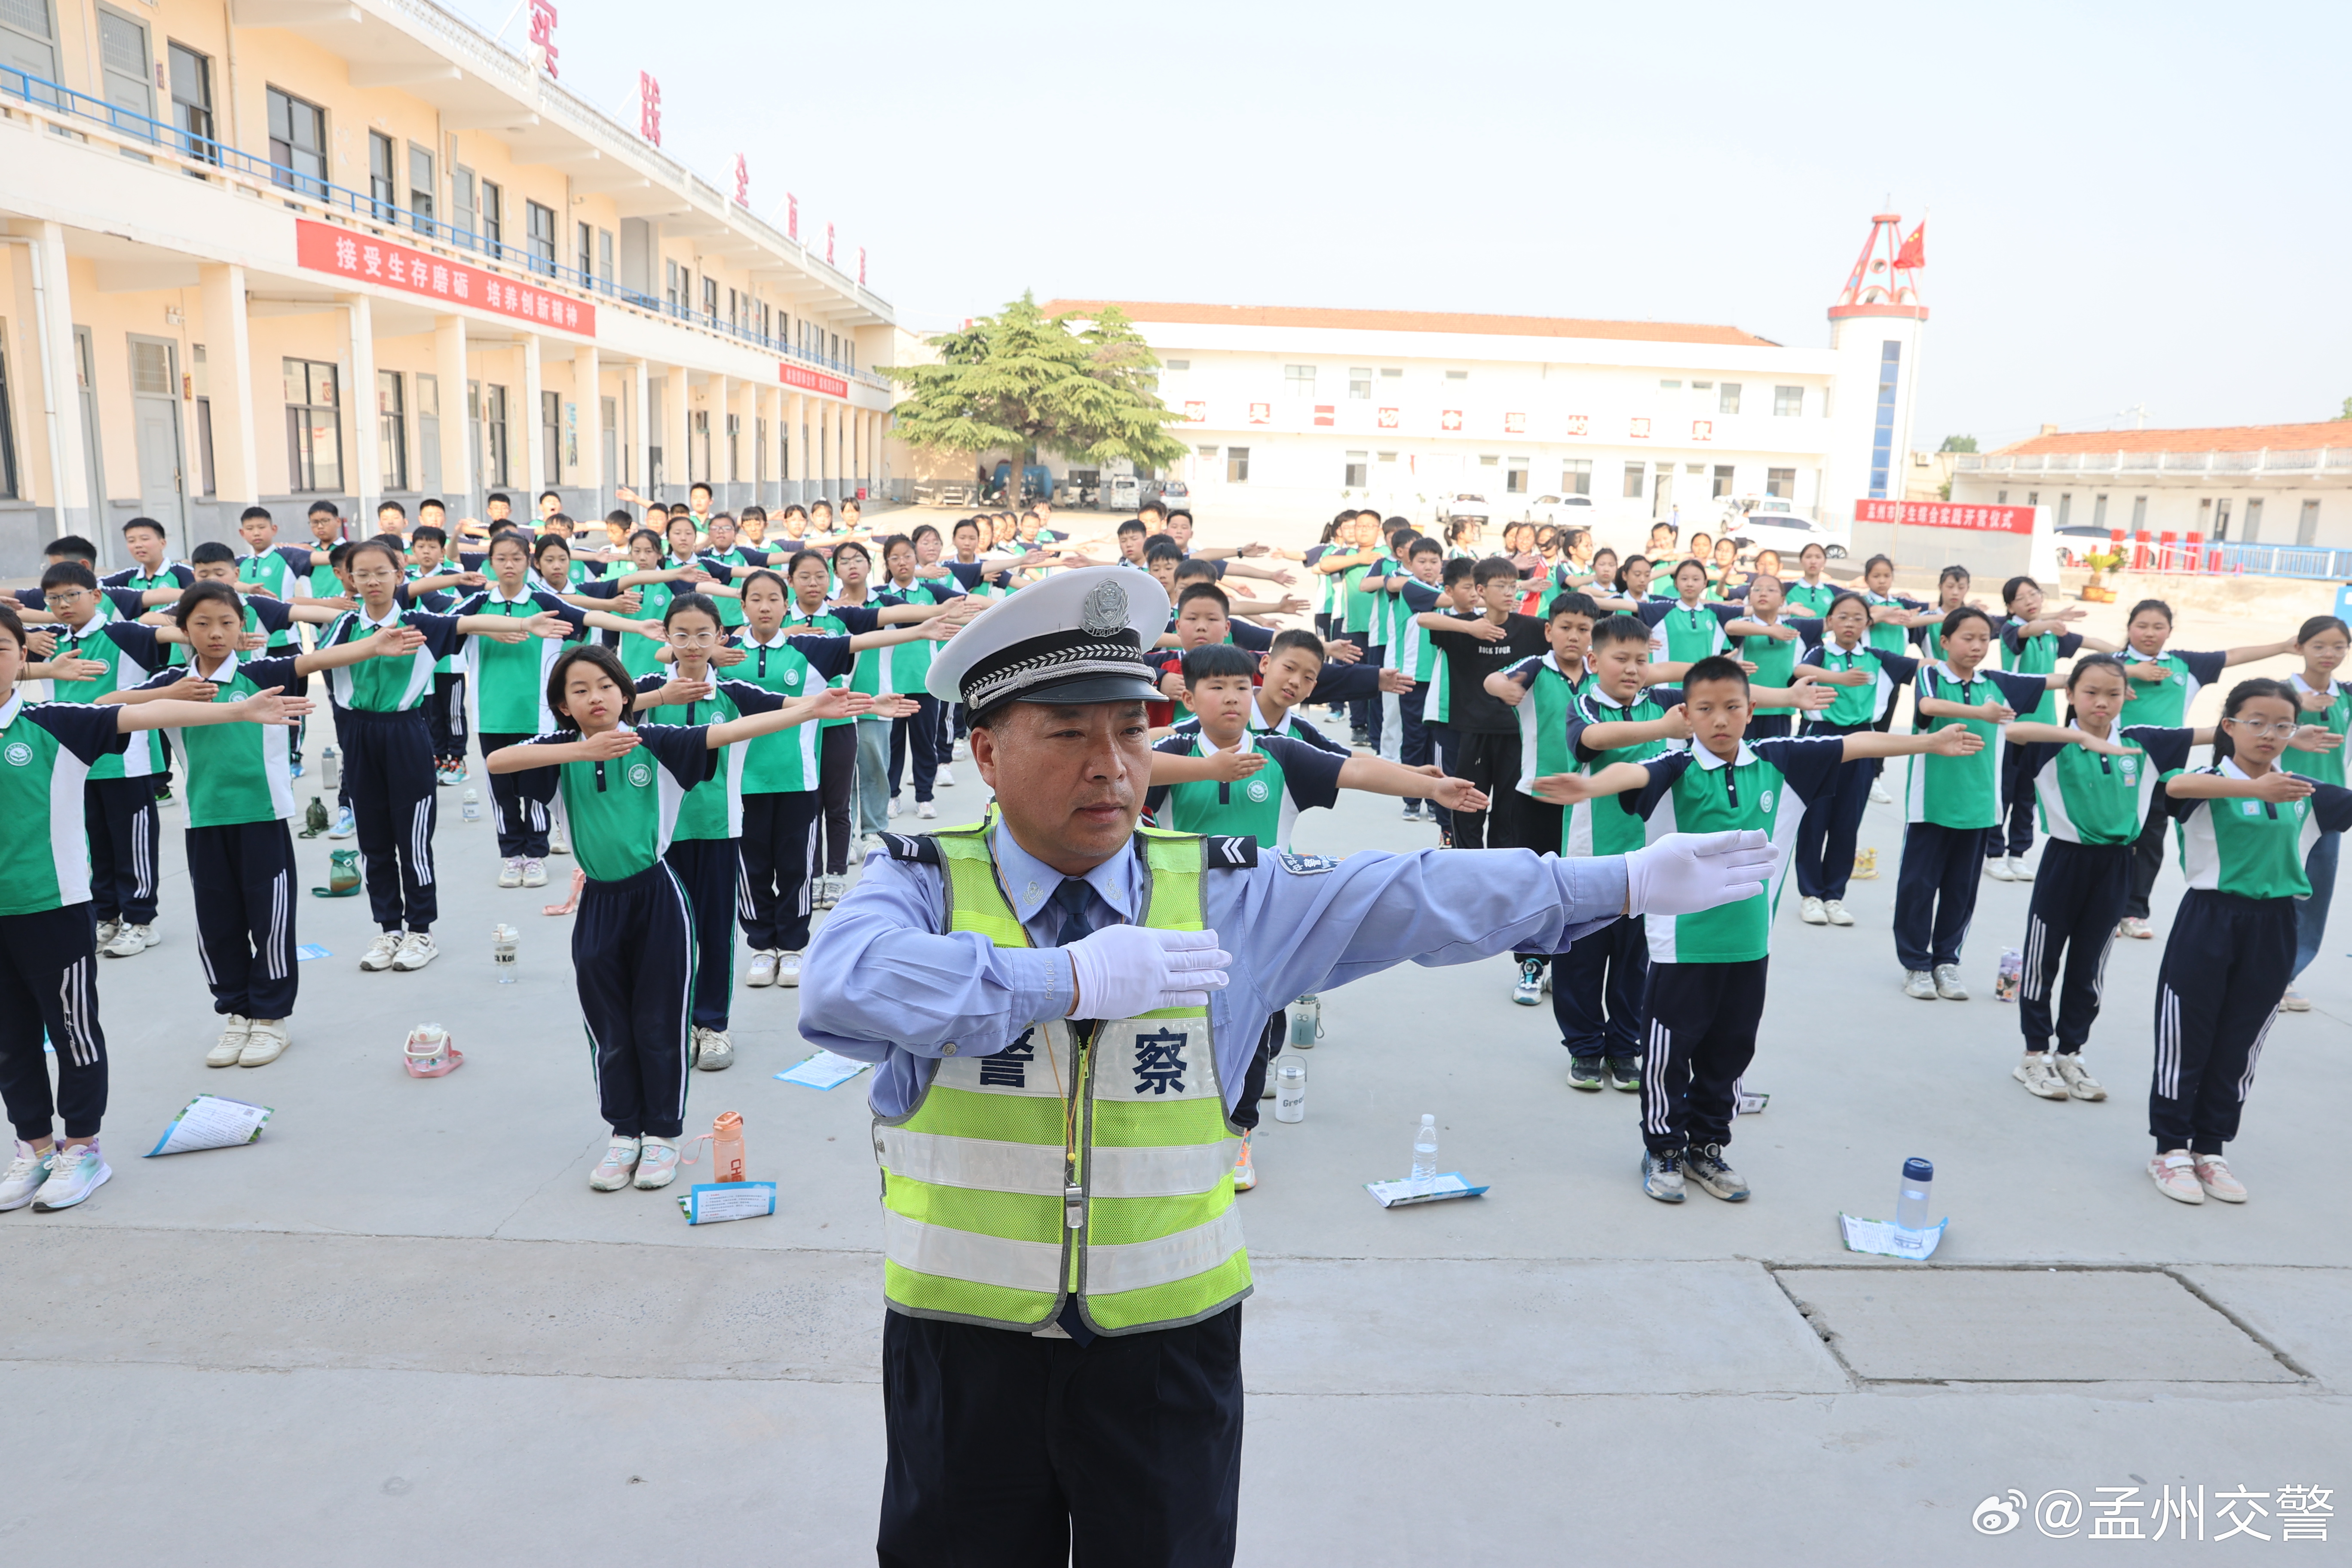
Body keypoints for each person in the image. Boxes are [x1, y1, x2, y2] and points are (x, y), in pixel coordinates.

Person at [794, 565, 1773, 1566]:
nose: (1112, 767)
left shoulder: (1228, 893)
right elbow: (839, 987)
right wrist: (1063, 978)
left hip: (1166, 1345)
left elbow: (1417, 892)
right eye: (1069, 734)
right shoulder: (921, 881)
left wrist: (1616, 881)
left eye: (1130, 732)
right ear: (987, 753)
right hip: (962, 1347)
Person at [1537, 654, 1979, 1202]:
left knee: (1729, 1054)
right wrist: (1589, 789)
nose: (1720, 719)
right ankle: (1664, 1149)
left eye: (1732, 707)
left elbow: (1857, 743)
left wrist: (1930, 742)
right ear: (1686, 716)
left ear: (1750, 711)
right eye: (1705, 709)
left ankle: (1706, 1149)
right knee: (1668, 1057)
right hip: (1682, 949)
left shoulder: (1781, 761)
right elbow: (1633, 775)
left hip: (1749, 946)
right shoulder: (1676, 767)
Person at [491, 646, 865, 1191]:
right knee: (608, 1028)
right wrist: (581, 750)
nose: (595, 697)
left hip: (657, 899)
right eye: (580, 690)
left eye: (606, 686)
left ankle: (662, 1136)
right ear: (564, 705)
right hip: (598, 904)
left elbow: (729, 732)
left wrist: (809, 709)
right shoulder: (558, 750)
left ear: (626, 694)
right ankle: (624, 1134)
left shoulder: (656, 743)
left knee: (659, 1023)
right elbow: (499, 761)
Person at [0, 602, 310, 1214]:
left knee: (72, 1035)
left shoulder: (54, 723)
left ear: (22, 657)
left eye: (0, 649)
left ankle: (82, 1149)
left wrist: (237, 709)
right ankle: (32, 1148)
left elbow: (142, 711)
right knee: (9, 1041)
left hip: (52, 906)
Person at [124, 580, 421, 1066]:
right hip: (204, 822)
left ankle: (270, 1019)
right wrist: (167, 693)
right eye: (202, 624)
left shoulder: (262, 672)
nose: (215, 633)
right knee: (217, 926)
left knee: (271, 922)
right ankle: (236, 1014)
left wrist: (373, 645)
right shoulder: (175, 684)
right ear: (184, 630)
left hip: (263, 818)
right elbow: (102, 707)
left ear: (242, 626)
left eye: (226, 622)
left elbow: (317, 660)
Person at [2146, 679, 2352, 1205]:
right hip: (2210, 918)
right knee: (2187, 1035)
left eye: (2282, 725)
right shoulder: (2207, 782)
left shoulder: (2304, 791)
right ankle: (2170, 1148)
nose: (2269, 734)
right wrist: (2254, 790)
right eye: (2256, 722)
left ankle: (2210, 1148)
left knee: (2242, 1041)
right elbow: (2174, 787)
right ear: (2229, 726)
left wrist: (2279, 783)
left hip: (2275, 925)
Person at [2000, 657, 2202, 1102]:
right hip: (2065, 861)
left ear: (2127, 695)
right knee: (2042, 961)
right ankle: (2034, 1054)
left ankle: (2070, 1053)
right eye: (2090, 692)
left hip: (2117, 865)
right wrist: (2078, 736)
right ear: (2070, 694)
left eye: (2113, 694)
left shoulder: (2142, 743)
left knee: (2090, 965)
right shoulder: (2052, 743)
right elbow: (2013, 731)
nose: (2101, 702)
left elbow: (2209, 734)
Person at [453, 531, 662, 891]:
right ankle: (511, 854)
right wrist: (489, 629)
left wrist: (637, 626)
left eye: (516, 558)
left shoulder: (543, 601)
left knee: (538, 789)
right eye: (501, 558)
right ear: (490, 563)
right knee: (500, 791)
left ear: (528, 562)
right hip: (492, 715)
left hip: (537, 715)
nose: (509, 565)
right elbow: (442, 625)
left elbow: (589, 616)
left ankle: (536, 854)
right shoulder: (477, 605)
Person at [1894, 606, 2061, 1000]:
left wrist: (2110, 677)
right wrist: (1980, 713)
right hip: (1932, 805)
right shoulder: (1933, 675)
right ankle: (1916, 964)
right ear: (1945, 641)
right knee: (1918, 887)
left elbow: (2051, 680)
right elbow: (1928, 707)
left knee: (1961, 891)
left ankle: (1946, 962)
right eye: (1967, 638)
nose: (1977, 646)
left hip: (1980, 807)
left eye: (1984, 639)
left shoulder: (1997, 682)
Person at [2112, 600, 2296, 940]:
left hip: (2163, 769)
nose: (2150, 633)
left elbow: (2233, 655)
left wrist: (2284, 647)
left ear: (2170, 631)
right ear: (2129, 628)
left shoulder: (2185, 665)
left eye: (2158, 626)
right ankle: (2107, 907)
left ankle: (2134, 911)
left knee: (2150, 842)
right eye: (2142, 625)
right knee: (2114, 839)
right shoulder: (2113, 665)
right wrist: (2128, 674)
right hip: (2117, 768)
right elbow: (2083, 680)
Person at [1790, 591, 1918, 925]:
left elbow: (1923, 668)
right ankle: (1810, 895)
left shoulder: (1878, 657)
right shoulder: (1821, 652)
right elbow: (1800, 669)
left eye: (1858, 618)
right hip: (1821, 740)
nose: (1850, 623)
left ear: (1868, 624)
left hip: (1863, 741)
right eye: (1843, 617)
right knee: (1814, 820)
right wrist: (1839, 679)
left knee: (1847, 823)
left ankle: (1834, 896)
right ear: (1830, 621)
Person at [1985, 575, 2124, 882]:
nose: (2031, 601)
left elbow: (2090, 643)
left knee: (2029, 797)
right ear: (2010, 607)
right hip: (2012, 726)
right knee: (2003, 793)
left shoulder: (2051, 635)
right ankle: (1994, 854)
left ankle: (2018, 854)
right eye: (2022, 598)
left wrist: (2122, 657)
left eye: (2035, 594)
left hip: (2044, 730)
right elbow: (2027, 630)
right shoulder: (2012, 631)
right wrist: (2052, 620)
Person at [1418, 558, 1550, 849]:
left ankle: (1500, 869)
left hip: (1515, 733)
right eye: (1501, 586)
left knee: (1508, 813)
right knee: (1468, 808)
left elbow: (1564, 634)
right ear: (1481, 590)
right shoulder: (1463, 626)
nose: (1509, 593)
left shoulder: (1531, 628)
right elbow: (1423, 619)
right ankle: (1468, 867)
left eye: (1513, 586)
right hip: (1471, 733)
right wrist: (1471, 629)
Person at [2279, 615, 2352, 1010]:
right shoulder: (2279, 694)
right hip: (2283, 803)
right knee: (2278, 890)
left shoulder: (2347, 696)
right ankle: (2264, 971)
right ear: (2300, 647)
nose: (2329, 654)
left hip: (2329, 810)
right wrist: (2294, 711)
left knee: (2313, 896)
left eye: (2339, 647)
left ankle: (2287, 975)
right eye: (2319, 645)